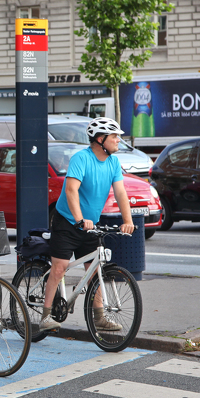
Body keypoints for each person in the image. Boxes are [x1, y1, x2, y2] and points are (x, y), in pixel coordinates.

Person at [40, 117, 135, 332]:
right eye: (114, 136)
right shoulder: (81, 159)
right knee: (59, 268)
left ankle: (99, 317)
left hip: (91, 225)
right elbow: (71, 190)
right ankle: (45, 316)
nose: (118, 140)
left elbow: (120, 193)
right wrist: (80, 219)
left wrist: (128, 221)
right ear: (101, 139)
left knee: (95, 270)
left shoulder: (113, 162)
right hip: (67, 221)